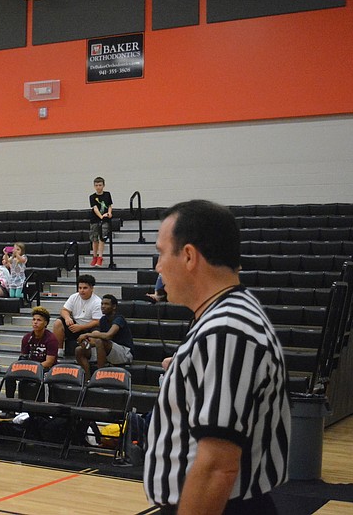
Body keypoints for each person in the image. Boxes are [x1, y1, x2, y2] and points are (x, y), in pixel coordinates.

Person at [144, 200, 290, 513]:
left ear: (188, 256)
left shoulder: (225, 332)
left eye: (160, 252)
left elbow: (216, 469)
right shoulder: (226, 318)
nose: (157, 266)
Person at [5, 306, 57, 403]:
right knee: (9, 376)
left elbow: (49, 362)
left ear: (45, 323)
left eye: (39, 320)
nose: (35, 322)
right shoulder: (27, 338)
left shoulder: (51, 339)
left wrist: (35, 368)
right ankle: (9, 406)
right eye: (33, 320)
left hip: (44, 369)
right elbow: (23, 357)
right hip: (29, 367)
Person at [75, 294, 133, 378]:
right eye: (102, 304)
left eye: (106, 304)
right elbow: (99, 338)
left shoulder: (119, 318)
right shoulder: (103, 320)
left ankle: (100, 376)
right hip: (109, 351)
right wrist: (87, 342)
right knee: (79, 350)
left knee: (99, 341)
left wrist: (87, 334)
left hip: (125, 353)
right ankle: (88, 379)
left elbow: (108, 336)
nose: (102, 306)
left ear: (114, 307)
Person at [51, 273, 102, 357]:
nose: (82, 290)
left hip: (89, 327)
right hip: (75, 325)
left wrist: (81, 327)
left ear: (92, 288)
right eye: (80, 288)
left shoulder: (97, 302)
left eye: (85, 288)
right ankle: (59, 350)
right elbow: (64, 310)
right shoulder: (74, 297)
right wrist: (67, 318)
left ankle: (92, 355)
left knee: (96, 333)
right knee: (58, 323)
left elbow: (97, 321)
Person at [89, 176, 113, 267]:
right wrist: (101, 216)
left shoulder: (107, 194)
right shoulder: (92, 197)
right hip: (95, 220)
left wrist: (109, 213)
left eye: (100, 185)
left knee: (101, 238)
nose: (98, 187)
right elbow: (95, 208)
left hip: (105, 220)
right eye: (96, 185)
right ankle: (94, 257)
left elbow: (109, 205)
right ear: (94, 186)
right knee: (94, 239)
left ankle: (100, 257)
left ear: (103, 185)